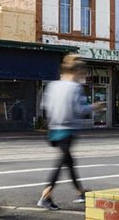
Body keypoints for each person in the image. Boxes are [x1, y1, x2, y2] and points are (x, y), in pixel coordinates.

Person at [37, 54, 104, 210]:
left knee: (69, 162)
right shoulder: (76, 88)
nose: (82, 77)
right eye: (82, 73)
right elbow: (79, 109)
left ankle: (81, 192)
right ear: (77, 72)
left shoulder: (53, 85)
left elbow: (45, 107)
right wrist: (95, 107)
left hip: (54, 129)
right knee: (62, 163)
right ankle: (45, 196)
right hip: (68, 130)